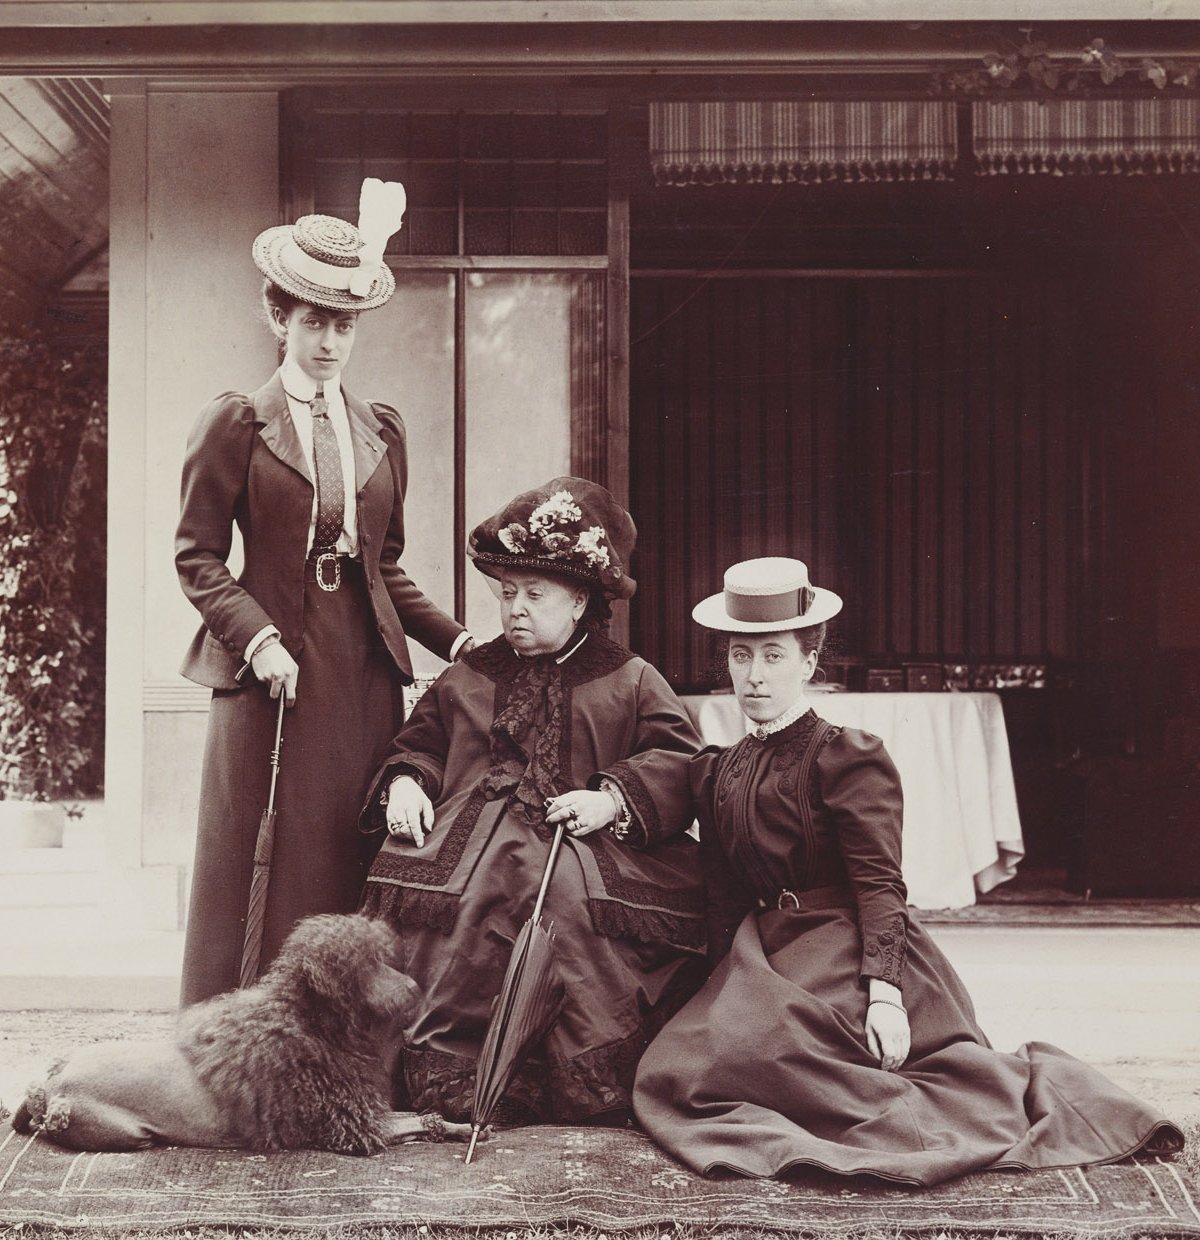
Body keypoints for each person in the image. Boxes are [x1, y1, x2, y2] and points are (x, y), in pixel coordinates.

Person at [633, 556, 1183, 1186]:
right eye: (740, 656)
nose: (753, 676)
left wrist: (886, 993)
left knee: (797, 1060)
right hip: (767, 948)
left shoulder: (846, 756)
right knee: (678, 1065)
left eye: (774, 656)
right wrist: (714, 987)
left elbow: (879, 883)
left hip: (847, 945)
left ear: (810, 662)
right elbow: (724, 896)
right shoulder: (715, 769)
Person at [176, 182, 473, 1006]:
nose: (331, 342)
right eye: (314, 322)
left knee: (350, 851)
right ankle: (238, 1037)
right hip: (268, 672)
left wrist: (456, 642)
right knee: (265, 858)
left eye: (343, 325)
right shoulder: (235, 422)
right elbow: (197, 558)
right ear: (280, 319)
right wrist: (260, 639)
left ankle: (338, 1045)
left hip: (362, 670)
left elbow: (387, 567)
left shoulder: (381, 427)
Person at [359, 477, 706, 1125]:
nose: (515, 608)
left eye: (535, 595)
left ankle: (561, 1078)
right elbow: (422, 742)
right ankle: (457, 1074)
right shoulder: (471, 674)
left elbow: (678, 760)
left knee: (560, 903)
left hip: (583, 839)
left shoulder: (629, 679)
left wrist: (613, 799)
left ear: (578, 601)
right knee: (466, 895)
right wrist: (407, 781)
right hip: (464, 846)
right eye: (507, 593)